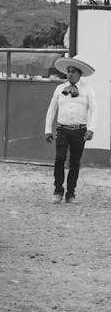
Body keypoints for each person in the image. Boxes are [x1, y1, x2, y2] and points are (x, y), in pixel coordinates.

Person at [44, 57, 97, 204]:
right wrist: (48, 130)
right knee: (60, 158)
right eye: (68, 72)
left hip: (80, 131)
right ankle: (58, 191)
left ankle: (71, 193)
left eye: (73, 72)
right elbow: (51, 110)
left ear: (79, 74)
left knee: (75, 162)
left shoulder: (87, 89)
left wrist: (91, 129)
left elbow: (94, 110)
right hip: (62, 130)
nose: (70, 74)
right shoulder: (60, 89)